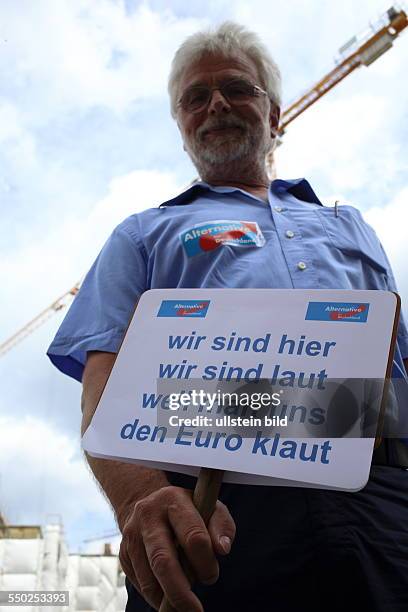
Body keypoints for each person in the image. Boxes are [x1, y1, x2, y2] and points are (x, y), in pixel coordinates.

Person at [48, 22, 408, 612]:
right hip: (215, 512)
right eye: (195, 97)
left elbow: (401, 370)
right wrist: (143, 498)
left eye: (237, 88)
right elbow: (104, 386)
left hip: (381, 500)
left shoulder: (352, 226)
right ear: (182, 127)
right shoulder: (143, 233)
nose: (216, 103)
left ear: (275, 114)